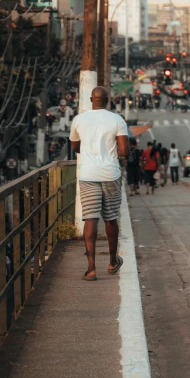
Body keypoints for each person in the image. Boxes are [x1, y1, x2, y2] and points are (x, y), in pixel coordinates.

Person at [69, 86, 128, 281]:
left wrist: (89, 151)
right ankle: (112, 261)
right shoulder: (117, 120)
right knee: (110, 218)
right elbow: (124, 150)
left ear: (90, 99)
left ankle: (91, 268)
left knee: (90, 219)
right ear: (107, 100)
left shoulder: (79, 119)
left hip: (88, 174)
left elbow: (75, 146)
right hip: (110, 174)